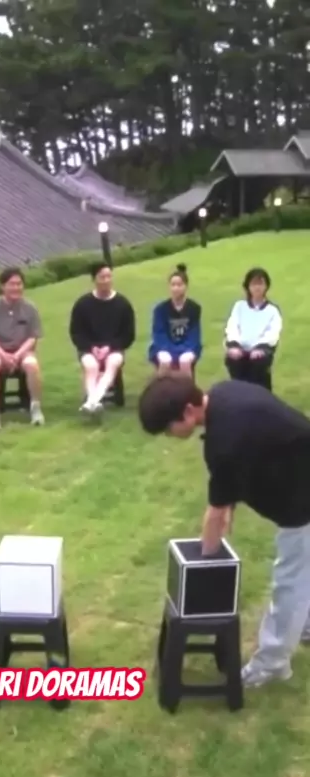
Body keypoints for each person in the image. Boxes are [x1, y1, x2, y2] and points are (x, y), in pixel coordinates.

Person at [138, 373, 310, 689]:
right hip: (298, 473)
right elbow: (252, 452)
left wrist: (204, 565)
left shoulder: (225, 442)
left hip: (303, 498)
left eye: (168, 428)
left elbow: (214, 514)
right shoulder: (225, 394)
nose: (169, 435)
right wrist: (228, 503)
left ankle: (272, 664)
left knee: (290, 579)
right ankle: (305, 624)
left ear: (188, 411)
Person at [0, 267, 44, 430]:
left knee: (31, 364)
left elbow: (33, 337)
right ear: (3, 286)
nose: (16, 288)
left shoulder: (30, 308)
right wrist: (3, 355)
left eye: (19, 284)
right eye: (12, 284)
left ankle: (35, 407)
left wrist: (17, 355)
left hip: (23, 351)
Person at [69, 262, 135, 414]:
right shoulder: (83, 304)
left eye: (108, 276)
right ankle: (94, 402)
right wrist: (91, 347)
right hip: (88, 349)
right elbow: (76, 333)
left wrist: (109, 347)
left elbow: (128, 335)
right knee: (91, 366)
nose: (106, 280)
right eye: (102, 277)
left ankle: (91, 402)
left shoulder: (122, 304)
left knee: (112, 363)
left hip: (114, 349)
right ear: (94, 279)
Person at [224, 267, 282, 391]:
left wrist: (260, 348)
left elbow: (273, 333)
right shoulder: (239, 306)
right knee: (233, 360)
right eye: (254, 284)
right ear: (248, 286)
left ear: (266, 286)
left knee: (258, 364)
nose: (257, 287)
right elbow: (232, 326)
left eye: (260, 283)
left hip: (260, 351)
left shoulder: (272, 310)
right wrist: (234, 345)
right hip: (240, 349)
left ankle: (260, 395)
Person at [148, 263, 202, 376]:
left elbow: (194, 334)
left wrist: (184, 350)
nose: (176, 288)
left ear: (186, 286)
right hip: (164, 346)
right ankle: (161, 385)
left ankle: (187, 387)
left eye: (179, 285)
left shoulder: (194, 308)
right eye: (173, 285)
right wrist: (168, 349)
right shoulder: (160, 309)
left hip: (188, 346)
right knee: (165, 360)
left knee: (185, 360)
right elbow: (159, 334)